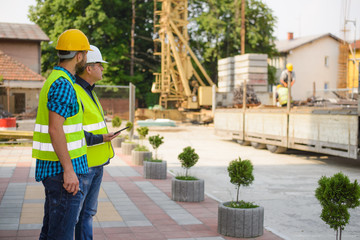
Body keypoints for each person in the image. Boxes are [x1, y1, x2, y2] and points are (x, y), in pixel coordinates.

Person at [32, 29, 92, 239]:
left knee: (51, 233)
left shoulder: (56, 79)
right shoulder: (63, 84)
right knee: (60, 235)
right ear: (78, 56)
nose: (86, 58)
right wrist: (69, 171)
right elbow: (55, 129)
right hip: (63, 175)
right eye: (85, 53)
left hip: (59, 173)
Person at [74, 45, 119, 240]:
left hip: (96, 164)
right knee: (78, 215)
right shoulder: (75, 92)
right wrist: (101, 138)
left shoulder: (90, 91)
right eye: (100, 65)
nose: (103, 69)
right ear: (89, 68)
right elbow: (72, 132)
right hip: (84, 165)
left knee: (87, 214)